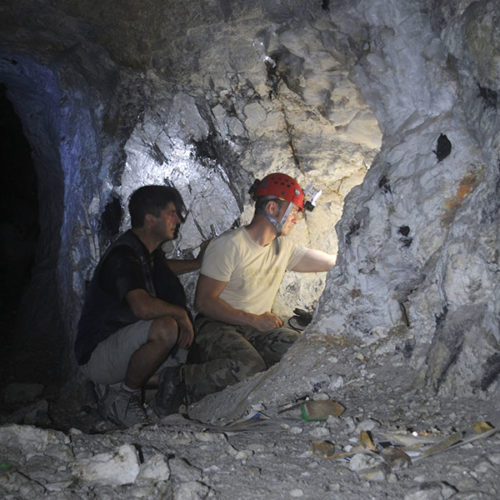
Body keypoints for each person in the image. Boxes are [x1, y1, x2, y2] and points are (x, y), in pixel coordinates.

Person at [161, 173, 335, 406]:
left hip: (255, 327)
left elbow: (324, 261)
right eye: (293, 211)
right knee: (249, 367)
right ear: (272, 208)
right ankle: (180, 380)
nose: (296, 219)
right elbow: (204, 302)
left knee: (302, 354)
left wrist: (354, 256)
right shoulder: (229, 245)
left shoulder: (281, 248)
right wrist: (252, 319)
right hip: (215, 326)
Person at [74, 185, 205, 428]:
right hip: (98, 353)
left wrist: (196, 263)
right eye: (172, 213)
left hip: (120, 345)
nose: (178, 219)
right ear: (149, 218)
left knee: (186, 361)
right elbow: (142, 308)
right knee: (166, 328)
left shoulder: (144, 252)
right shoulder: (123, 256)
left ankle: (124, 389)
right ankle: (124, 396)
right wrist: (180, 314)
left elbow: (163, 269)